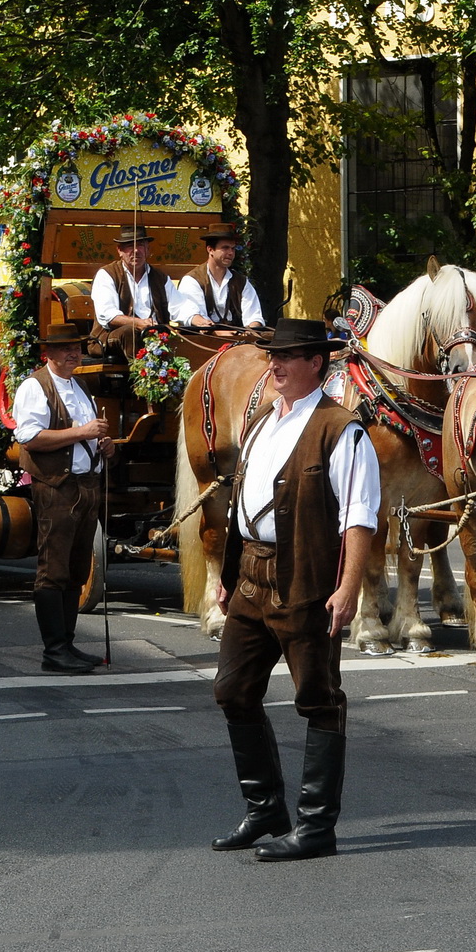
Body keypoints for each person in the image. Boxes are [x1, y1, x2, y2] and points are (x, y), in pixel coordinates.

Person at [211, 318, 378, 862]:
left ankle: (315, 828)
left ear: (318, 363)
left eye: (289, 357)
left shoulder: (342, 429)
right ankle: (265, 810)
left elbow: (359, 517)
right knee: (233, 690)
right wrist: (228, 574)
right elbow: (241, 506)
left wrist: (348, 587)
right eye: (272, 356)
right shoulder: (261, 421)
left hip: (304, 579)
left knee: (319, 699)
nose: (275, 365)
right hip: (251, 579)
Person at [13, 324, 115, 673]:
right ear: (49, 354)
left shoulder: (79, 386)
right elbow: (29, 438)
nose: (74, 353)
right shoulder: (35, 386)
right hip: (57, 487)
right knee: (53, 569)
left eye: (77, 347)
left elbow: (84, 436)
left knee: (76, 569)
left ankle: (67, 645)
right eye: (66, 348)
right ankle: (53, 650)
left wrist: (103, 445)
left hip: (86, 485)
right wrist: (82, 432)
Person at [91, 226, 197, 354]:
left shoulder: (160, 278)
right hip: (111, 337)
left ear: (148, 250)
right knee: (130, 332)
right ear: (120, 250)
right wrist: (138, 323)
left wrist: (198, 319)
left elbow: (180, 307)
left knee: (183, 336)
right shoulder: (107, 274)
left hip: (154, 336)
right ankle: (140, 373)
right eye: (130, 246)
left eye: (140, 245)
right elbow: (108, 316)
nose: (136, 251)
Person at [177, 224, 266, 330]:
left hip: (237, 339)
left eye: (233, 249)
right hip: (202, 341)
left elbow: (254, 316)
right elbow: (193, 315)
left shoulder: (241, 282)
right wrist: (215, 331)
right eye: (225, 248)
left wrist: (250, 330)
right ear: (210, 250)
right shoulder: (192, 280)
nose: (230, 253)